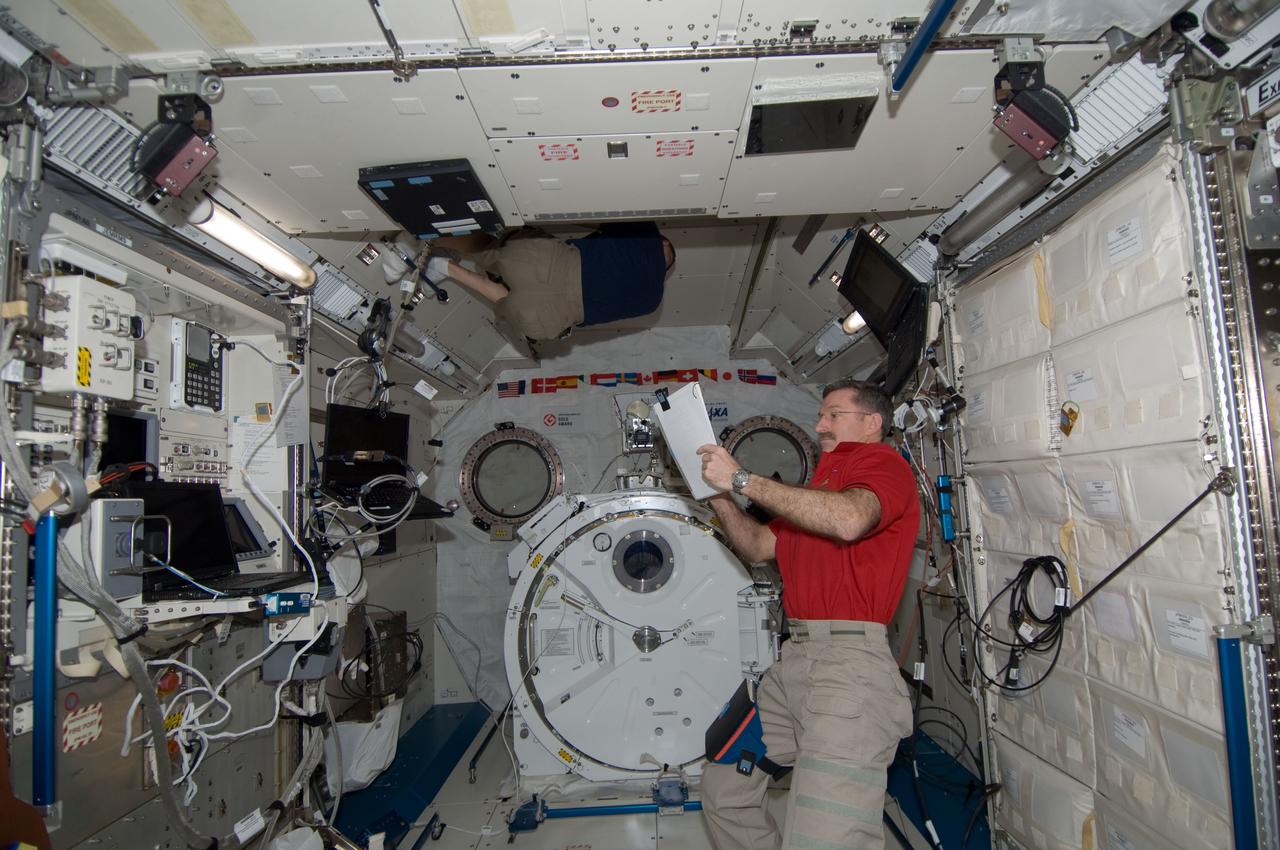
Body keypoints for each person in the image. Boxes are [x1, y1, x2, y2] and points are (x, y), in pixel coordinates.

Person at [695, 378, 920, 850]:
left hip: (849, 670)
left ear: (872, 422)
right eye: (820, 415)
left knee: (826, 836)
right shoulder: (818, 488)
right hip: (795, 664)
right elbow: (758, 546)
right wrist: (714, 495)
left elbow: (849, 520)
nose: (820, 425)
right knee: (725, 789)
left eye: (834, 414)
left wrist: (741, 479)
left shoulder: (883, 466)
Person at [423, 222, 675, 342]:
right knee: (509, 301)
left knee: (490, 248)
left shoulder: (649, 234)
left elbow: (601, 230)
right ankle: (445, 267)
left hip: (547, 263)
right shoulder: (653, 301)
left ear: (664, 243)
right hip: (546, 316)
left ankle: (429, 239)